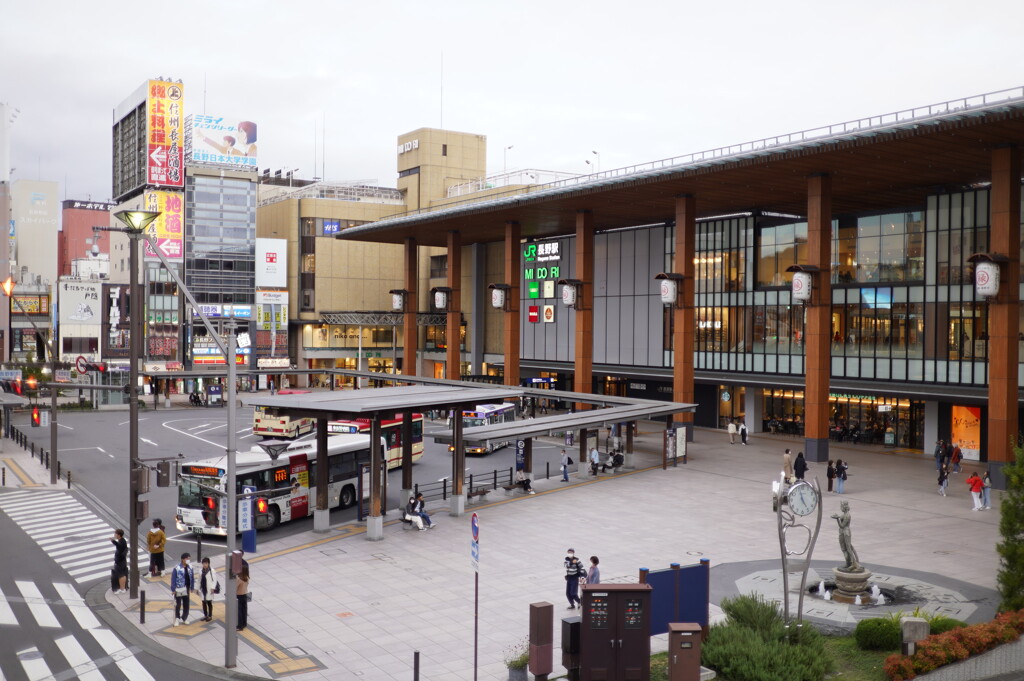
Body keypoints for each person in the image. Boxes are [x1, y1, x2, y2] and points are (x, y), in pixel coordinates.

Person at [831, 500, 862, 571]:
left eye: (841, 506)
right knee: (844, 548)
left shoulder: (847, 515)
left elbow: (842, 526)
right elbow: (840, 516)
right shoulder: (844, 514)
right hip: (842, 532)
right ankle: (848, 562)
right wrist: (837, 516)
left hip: (846, 532)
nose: (840, 508)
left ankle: (855, 563)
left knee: (849, 548)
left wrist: (837, 520)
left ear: (845, 507)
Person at [170, 552, 195, 626]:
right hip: (179, 588)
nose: (188, 560)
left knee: (186, 603)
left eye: (189, 558)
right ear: (182, 559)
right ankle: (177, 618)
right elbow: (173, 578)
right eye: (187, 558)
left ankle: (185, 617)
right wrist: (173, 589)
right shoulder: (177, 568)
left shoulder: (190, 567)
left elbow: (192, 577)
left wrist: (192, 587)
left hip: (186, 587)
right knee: (178, 604)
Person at [198, 557, 220, 622]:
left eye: (206, 563)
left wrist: (213, 588)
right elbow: (199, 580)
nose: (205, 565)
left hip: (209, 589)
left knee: (209, 602)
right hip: (203, 588)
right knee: (203, 602)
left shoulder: (212, 571)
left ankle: (210, 616)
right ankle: (205, 615)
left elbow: (214, 580)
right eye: (203, 563)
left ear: (208, 563)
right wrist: (197, 588)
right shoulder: (200, 571)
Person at [110, 529, 128, 594]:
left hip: (120, 561)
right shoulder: (122, 540)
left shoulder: (122, 541)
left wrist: (113, 541)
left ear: (118, 535)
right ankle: (122, 588)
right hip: (121, 561)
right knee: (122, 575)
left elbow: (119, 546)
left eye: (115, 534)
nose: (114, 535)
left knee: (121, 575)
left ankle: (122, 589)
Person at [236, 562, 250, 631]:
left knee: (239, 611)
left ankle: (240, 626)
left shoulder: (239, 579)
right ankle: (244, 623)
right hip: (244, 595)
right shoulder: (247, 578)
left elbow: (235, 587)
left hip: (239, 596)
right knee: (244, 610)